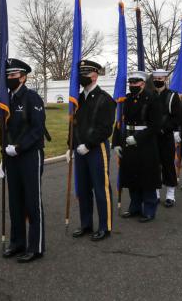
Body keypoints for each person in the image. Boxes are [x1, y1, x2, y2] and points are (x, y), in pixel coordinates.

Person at [2, 58, 46, 263]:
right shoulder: (5, 99)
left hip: (29, 155)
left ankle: (35, 246)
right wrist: (3, 155)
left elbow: (36, 130)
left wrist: (18, 148)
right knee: (15, 201)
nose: (9, 78)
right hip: (11, 157)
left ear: (23, 77)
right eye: (8, 75)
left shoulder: (32, 98)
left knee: (31, 201)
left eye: (13, 75)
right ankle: (17, 242)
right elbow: (5, 129)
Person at [68, 60, 116, 241]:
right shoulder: (78, 98)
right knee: (83, 189)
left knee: (100, 188)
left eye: (86, 73)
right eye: (80, 73)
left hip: (96, 149)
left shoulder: (105, 99)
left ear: (95, 75)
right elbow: (74, 124)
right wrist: (71, 146)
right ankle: (86, 223)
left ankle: (105, 226)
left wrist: (88, 144)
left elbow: (106, 129)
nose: (82, 77)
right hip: (80, 151)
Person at [112, 71, 162, 223]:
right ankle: (135, 207)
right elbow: (119, 122)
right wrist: (116, 143)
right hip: (128, 141)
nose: (133, 85)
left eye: (136, 82)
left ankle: (149, 209)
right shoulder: (125, 99)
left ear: (142, 83)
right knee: (132, 176)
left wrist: (137, 138)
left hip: (146, 143)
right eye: (131, 83)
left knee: (147, 177)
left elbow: (156, 125)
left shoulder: (152, 98)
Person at [151, 69, 181, 207]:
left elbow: (176, 117)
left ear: (165, 79)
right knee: (154, 166)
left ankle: (170, 195)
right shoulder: (150, 95)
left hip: (166, 136)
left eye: (160, 78)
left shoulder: (172, 96)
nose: (158, 80)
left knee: (168, 165)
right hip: (152, 137)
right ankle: (155, 194)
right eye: (156, 78)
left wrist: (166, 129)